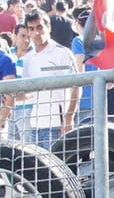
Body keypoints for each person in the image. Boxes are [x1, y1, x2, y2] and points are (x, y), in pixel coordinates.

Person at [18, 9, 79, 148]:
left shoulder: (62, 53)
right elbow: (29, 92)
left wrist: (68, 118)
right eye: (31, 29)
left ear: (48, 27)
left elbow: (76, 86)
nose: (36, 33)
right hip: (35, 125)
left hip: (57, 125)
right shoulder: (28, 58)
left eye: (39, 27)